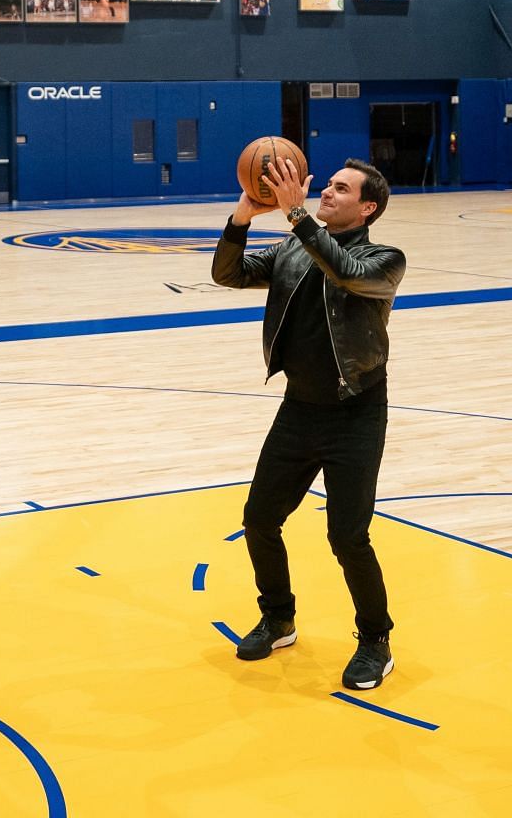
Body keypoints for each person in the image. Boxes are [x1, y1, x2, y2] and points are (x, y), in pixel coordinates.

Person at [211, 155, 406, 692]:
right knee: (259, 518)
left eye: (341, 189)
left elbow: (343, 271)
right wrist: (243, 216)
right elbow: (228, 274)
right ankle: (278, 618)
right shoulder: (295, 246)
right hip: (300, 408)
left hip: (356, 413)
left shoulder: (385, 258)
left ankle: (375, 641)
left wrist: (296, 215)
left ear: (367, 207)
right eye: (329, 186)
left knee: (347, 536)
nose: (326, 193)